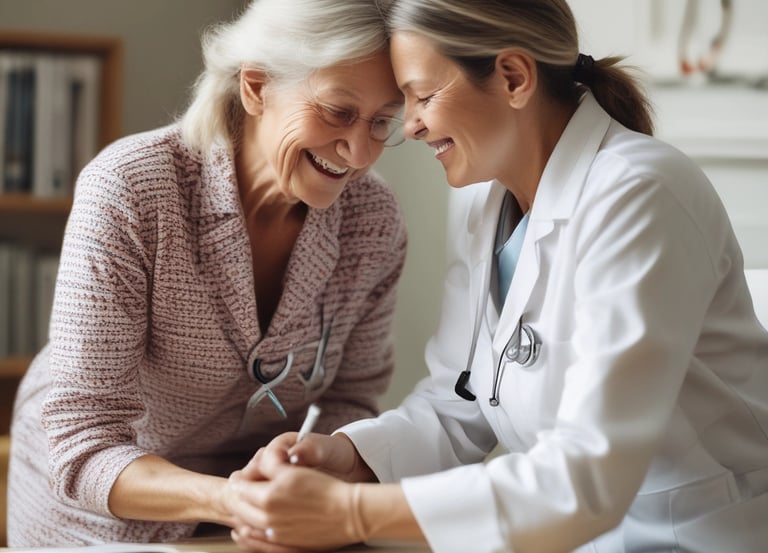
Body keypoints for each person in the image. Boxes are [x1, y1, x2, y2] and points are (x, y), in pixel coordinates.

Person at [227, 1, 768, 552]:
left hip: (695, 537)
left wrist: (349, 514)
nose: (410, 126)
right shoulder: (485, 201)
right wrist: (346, 457)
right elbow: (458, 404)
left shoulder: (640, 193)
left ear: (513, 77)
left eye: (423, 95)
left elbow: (590, 477)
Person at [7, 0, 407, 546]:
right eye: (338, 111)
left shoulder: (373, 220)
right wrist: (230, 498)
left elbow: (352, 401)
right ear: (257, 86)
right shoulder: (131, 190)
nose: (359, 153)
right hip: (98, 515)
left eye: (381, 122)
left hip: (258, 517)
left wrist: (309, 475)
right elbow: (84, 443)